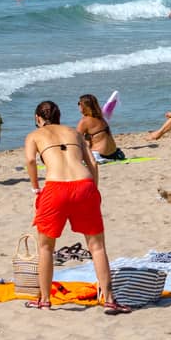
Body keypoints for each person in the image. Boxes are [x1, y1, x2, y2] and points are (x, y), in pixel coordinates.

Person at [23, 100, 120, 311]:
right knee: (97, 246)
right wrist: (93, 189)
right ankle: (110, 299)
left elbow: (31, 161)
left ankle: (45, 300)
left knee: (46, 247)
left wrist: (35, 188)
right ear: (58, 116)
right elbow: (92, 163)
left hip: (55, 188)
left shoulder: (34, 135)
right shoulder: (74, 132)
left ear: (37, 118)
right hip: (84, 185)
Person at [76, 93, 124, 161]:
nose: (78, 106)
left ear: (83, 106)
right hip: (115, 154)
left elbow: (75, 139)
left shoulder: (85, 121)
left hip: (100, 155)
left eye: (79, 103)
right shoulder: (101, 117)